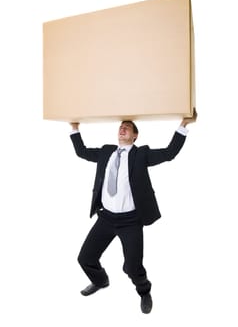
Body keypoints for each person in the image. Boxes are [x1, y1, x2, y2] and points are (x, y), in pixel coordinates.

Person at [69, 110, 197, 314]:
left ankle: (144, 291)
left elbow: (169, 153)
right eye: (121, 126)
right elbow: (81, 152)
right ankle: (100, 281)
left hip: (131, 221)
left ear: (135, 136)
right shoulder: (106, 151)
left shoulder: (141, 154)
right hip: (106, 218)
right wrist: (74, 128)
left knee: (132, 268)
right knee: (85, 258)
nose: (123, 127)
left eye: (128, 127)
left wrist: (184, 124)